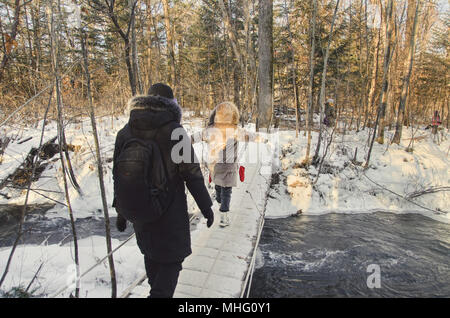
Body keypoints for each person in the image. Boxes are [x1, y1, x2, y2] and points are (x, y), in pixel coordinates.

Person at [113, 83, 214, 298]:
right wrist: (206, 207)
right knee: (170, 265)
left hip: (141, 213)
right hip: (170, 213)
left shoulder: (126, 131)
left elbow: (118, 174)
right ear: (171, 104)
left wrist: (121, 212)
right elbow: (192, 173)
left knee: (152, 257)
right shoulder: (174, 130)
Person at [191, 102, 266, 227]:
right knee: (227, 190)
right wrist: (263, 139)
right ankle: (224, 216)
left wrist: (182, 141)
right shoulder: (235, 131)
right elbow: (250, 136)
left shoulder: (210, 130)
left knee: (219, 187)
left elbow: (195, 137)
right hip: (229, 166)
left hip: (214, 165)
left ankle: (220, 203)